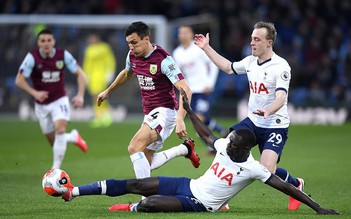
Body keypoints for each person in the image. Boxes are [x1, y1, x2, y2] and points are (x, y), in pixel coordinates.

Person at [59, 89, 339, 215]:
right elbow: (207, 135)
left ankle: (132, 208)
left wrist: (317, 208)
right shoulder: (226, 147)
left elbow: (285, 188)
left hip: (199, 203)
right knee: (137, 184)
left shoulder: (254, 168)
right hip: (188, 184)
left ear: (244, 149)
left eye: (231, 143)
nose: (225, 143)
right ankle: (75, 192)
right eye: (227, 140)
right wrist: (189, 111)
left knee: (149, 203)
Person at [193, 21, 304, 211]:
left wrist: (269, 109)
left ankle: (296, 183)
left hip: (274, 124)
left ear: (269, 43)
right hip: (253, 121)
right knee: (225, 150)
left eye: (257, 39)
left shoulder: (281, 66)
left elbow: (281, 96)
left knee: (267, 170)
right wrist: (206, 48)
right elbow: (228, 67)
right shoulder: (250, 61)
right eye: (252, 38)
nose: (252, 43)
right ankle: (220, 200)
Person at [96, 21, 199, 183]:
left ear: (146, 39)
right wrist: (108, 91)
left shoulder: (163, 60)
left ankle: (145, 199)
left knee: (134, 147)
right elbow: (126, 73)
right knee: (144, 162)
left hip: (165, 111)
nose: (131, 47)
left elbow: (185, 89)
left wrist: (180, 118)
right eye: (129, 43)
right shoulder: (132, 55)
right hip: (149, 113)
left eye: (134, 43)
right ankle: (184, 149)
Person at [15, 29, 88, 169]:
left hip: (59, 100)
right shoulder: (32, 57)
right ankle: (73, 137)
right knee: (54, 141)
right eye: (43, 41)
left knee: (60, 130)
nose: (46, 43)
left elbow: (81, 75)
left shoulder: (62, 55)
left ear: (53, 42)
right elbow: (19, 80)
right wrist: (35, 93)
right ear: (38, 43)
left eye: (49, 40)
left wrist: (80, 95)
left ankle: (55, 170)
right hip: (41, 105)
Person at [172, 25, 228, 140]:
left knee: (199, 117)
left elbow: (213, 64)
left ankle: (212, 144)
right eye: (181, 33)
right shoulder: (177, 53)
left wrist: (210, 83)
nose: (183, 35)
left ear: (192, 34)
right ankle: (221, 131)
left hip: (203, 88)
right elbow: (179, 73)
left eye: (186, 32)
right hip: (190, 90)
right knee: (200, 118)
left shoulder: (198, 48)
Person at [83, 33, 116, 128]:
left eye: (93, 38)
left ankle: (106, 114)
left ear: (97, 38)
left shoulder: (104, 47)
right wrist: (86, 74)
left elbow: (110, 60)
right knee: (94, 96)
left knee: (100, 94)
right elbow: (87, 63)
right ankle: (99, 116)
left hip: (102, 74)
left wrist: (110, 72)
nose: (91, 40)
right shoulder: (88, 49)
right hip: (92, 76)